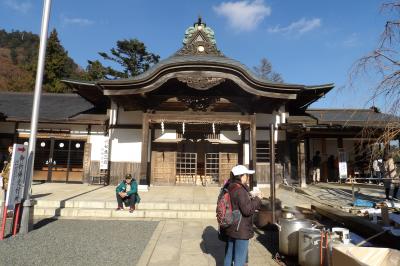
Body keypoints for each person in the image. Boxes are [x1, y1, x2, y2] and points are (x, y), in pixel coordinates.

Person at [223, 165, 261, 266]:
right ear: (241, 176)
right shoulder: (240, 190)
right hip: (240, 229)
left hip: (231, 226)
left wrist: (249, 195)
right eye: (246, 175)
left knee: (229, 255)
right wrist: (257, 199)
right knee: (240, 259)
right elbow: (247, 210)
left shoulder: (230, 186)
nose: (247, 177)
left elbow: (237, 203)